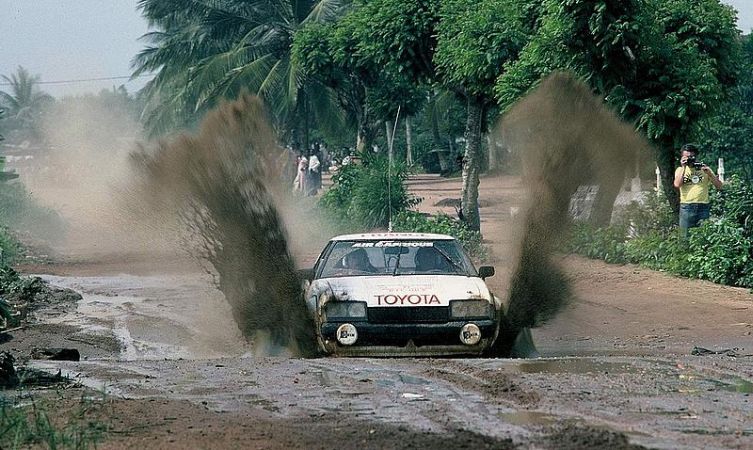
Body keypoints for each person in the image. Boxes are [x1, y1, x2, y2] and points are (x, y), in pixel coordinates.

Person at [673, 143, 723, 236]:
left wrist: (710, 174)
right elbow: (677, 184)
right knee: (685, 237)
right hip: (687, 207)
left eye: (692, 157)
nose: (690, 159)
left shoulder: (704, 169)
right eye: (687, 157)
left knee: (703, 237)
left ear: (696, 156)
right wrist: (684, 167)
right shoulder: (680, 170)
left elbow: (719, 186)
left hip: (703, 206)